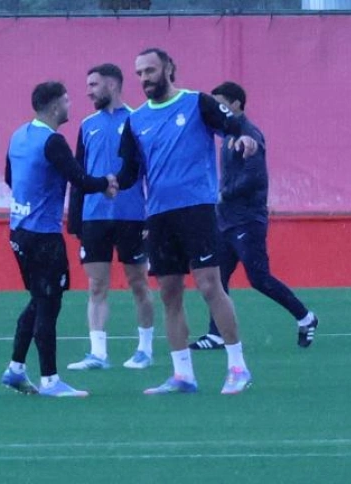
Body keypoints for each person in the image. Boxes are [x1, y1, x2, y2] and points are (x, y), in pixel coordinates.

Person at [115, 48, 258, 395]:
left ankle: (238, 367)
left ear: (168, 68)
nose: (145, 78)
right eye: (139, 73)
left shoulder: (197, 103)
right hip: (159, 215)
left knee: (210, 285)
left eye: (150, 70)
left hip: (197, 209)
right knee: (169, 293)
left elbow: (235, 123)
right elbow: (130, 173)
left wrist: (243, 136)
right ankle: (183, 375)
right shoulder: (135, 121)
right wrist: (105, 183)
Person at [0, 81, 118, 398]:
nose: (70, 105)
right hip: (43, 235)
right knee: (49, 304)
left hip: (19, 231)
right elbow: (78, 178)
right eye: (66, 100)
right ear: (54, 107)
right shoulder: (54, 141)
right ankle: (51, 380)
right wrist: (105, 183)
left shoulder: (19, 135)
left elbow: (10, 178)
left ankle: (15, 369)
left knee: (39, 299)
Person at [188, 81, 318, 351]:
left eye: (221, 103)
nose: (217, 109)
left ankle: (305, 317)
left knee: (259, 278)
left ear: (236, 104)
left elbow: (255, 177)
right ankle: (217, 334)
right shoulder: (226, 135)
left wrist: (223, 193)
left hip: (247, 219)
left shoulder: (250, 134)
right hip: (226, 219)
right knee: (217, 278)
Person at [65, 63, 156, 371]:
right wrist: (75, 220)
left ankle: (145, 349)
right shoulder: (87, 125)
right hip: (94, 219)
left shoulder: (138, 121)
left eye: (94, 85)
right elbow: (77, 175)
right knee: (96, 285)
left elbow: (150, 171)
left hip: (132, 217)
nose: (88, 91)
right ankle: (98, 354)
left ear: (112, 85)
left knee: (138, 283)